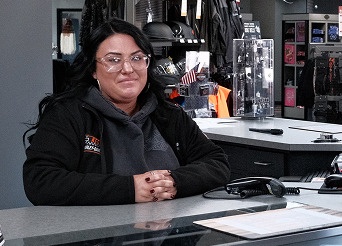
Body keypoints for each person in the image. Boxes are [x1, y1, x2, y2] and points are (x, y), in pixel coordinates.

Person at [24, 18, 229, 205]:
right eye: (114, 60)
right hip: (94, 239)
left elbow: (217, 163)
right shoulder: (69, 115)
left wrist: (174, 182)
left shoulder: (167, 115)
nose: (128, 69)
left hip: (167, 237)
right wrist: (130, 189)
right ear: (93, 69)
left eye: (137, 58)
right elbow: (41, 181)